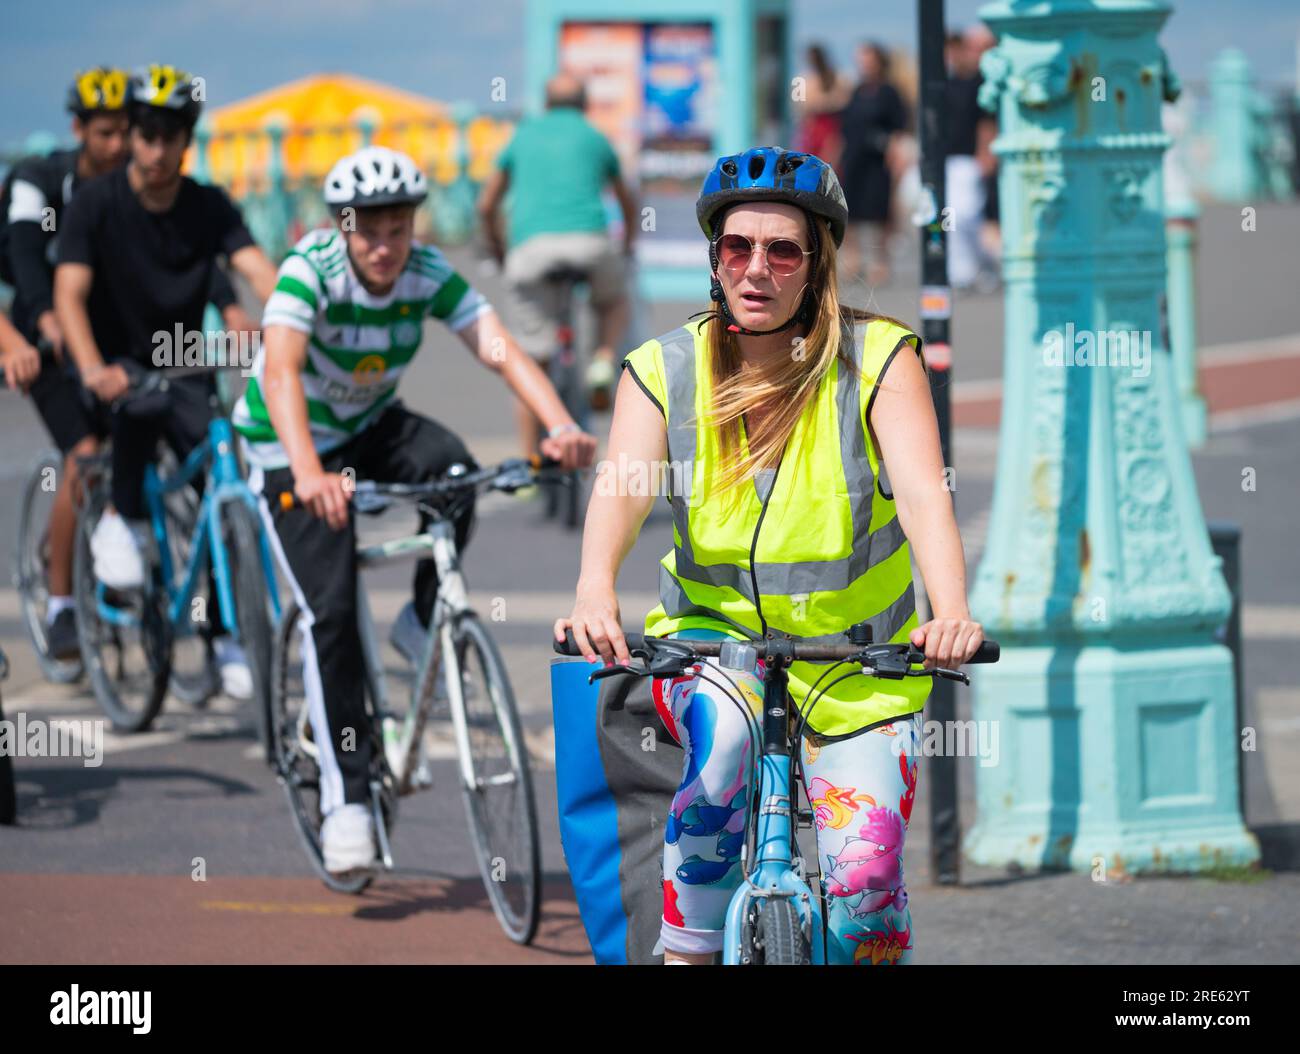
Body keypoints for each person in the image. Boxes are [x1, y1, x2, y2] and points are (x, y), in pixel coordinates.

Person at [555, 147, 983, 965]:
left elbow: (927, 493)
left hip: (861, 664)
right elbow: (622, 487)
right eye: (736, 248)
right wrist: (592, 591)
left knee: (867, 882)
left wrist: (951, 612)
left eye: (783, 250)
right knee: (718, 764)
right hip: (715, 648)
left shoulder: (880, 360)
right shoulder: (665, 369)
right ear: (714, 258)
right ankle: (683, 954)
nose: (757, 268)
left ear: (816, 263)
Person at [235, 145, 597, 876]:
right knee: (331, 613)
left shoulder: (427, 273)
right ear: (343, 227)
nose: (383, 245)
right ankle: (349, 799)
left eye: (396, 229)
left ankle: (421, 618)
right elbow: (279, 371)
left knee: (458, 473)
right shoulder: (310, 272)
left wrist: (559, 423)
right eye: (368, 229)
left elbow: (499, 348)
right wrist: (307, 472)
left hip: (368, 428)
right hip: (287, 444)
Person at [1, 66, 255, 665]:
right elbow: (30, 262)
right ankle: (63, 604)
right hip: (41, 330)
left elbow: (191, 254)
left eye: (130, 133)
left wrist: (229, 306)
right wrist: (40, 327)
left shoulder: (146, 188)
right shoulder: (42, 185)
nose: (124, 147)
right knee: (85, 454)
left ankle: (197, 605)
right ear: (80, 129)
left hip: (114, 337)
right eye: (110, 134)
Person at [53, 64, 278, 696]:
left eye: (170, 136)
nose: (156, 149)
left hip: (186, 362)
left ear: (187, 140)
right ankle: (122, 521)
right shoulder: (96, 205)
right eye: (145, 135)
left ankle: (222, 635)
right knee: (133, 408)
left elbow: (257, 270)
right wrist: (92, 365)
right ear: (130, 136)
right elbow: (69, 293)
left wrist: (291, 315)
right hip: (116, 362)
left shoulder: (207, 204)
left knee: (220, 481)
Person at [477, 71, 637, 430]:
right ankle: (602, 359)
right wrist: (626, 247)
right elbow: (628, 200)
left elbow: (487, 205)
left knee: (529, 366)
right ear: (583, 106)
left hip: (531, 251)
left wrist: (499, 249)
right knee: (615, 300)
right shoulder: (596, 138)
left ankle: (533, 467)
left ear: (545, 104)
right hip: (590, 246)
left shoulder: (522, 137)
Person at [837, 43, 908, 289]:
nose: (863, 64)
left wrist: (897, 158)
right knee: (850, 214)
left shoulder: (889, 92)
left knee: (880, 215)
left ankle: (880, 262)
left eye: (867, 58)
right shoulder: (856, 92)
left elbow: (899, 130)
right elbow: (844, 128)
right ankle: (854, 261)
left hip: (878, 162)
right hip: (854, 159)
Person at [944, 28, 999, 291]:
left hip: (970, 158)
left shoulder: (979, 82)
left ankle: (983, 265)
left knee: (967, 214)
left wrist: (985, 152)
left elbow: (986, 121)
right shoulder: (948, 83)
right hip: (948, 157)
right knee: (950, 216)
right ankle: (962, 271)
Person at [794, 45, 852, 174]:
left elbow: (844, 100)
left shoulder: (837, 77)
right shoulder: (802, 78)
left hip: (830, 127)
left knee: (830, 165)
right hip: (811, 128)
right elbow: (798, 105)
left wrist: (821, 103)